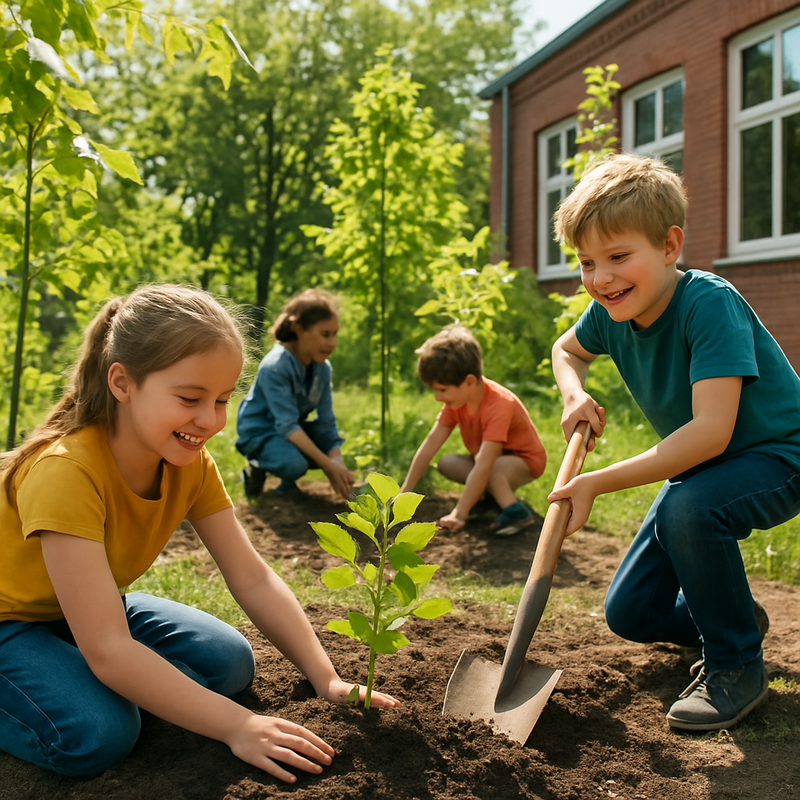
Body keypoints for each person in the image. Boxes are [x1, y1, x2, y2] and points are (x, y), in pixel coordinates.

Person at [0, 284, 397, 781]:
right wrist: (239, 726)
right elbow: (107, 648)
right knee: (99, 731)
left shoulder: (187, 462)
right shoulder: (66, 472)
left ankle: (85, 676)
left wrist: (327, 679)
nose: (210, 420)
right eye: (190, 397)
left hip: (70, 612)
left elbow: (251, 577)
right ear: (122, 383)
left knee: (229, 662)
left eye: (223, 399)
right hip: (8, 622)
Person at [548, 153, 800, 731]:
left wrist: (597, 481)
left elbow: (712, 433)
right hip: (704, 470)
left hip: (779, 455)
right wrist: (572, 396)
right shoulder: (608, 313)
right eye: (586, 262)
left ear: (669, 245)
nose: (600, 278)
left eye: (617, 257)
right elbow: (566, 351)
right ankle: (735, 617)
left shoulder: (707, 304)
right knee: (631, 611)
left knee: (687, 511)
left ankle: (736, 664)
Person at [400, 325, 547, 536]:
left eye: (442, 389)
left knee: (492, 468)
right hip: (488, 461)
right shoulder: (455, 403)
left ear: (469, 381)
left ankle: (516, 511)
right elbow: (432, 441)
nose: (437, 397)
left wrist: (459, 512)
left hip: (523, 461)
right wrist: (405, 491)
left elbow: (486, 463)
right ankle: (490, 499)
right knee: (447, 463)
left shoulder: (499, 404)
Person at [236, 289, 354, 501]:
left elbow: (327, 422)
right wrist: (329, 467)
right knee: (295, 465)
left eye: (335, 334)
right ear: (299, 330)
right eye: (325, 334)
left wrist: (337, 463)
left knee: (327, 447)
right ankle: (257, 467)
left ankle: (287, 482)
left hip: (289, 429)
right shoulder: (276, 366)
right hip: (260, 432)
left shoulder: (323, 368)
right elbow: (287, 425)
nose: (333, 343)